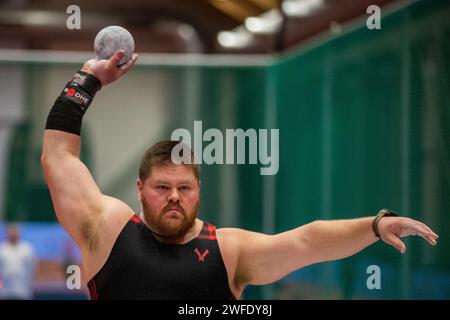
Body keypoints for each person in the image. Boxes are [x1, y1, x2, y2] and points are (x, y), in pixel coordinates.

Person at [41, 50, 439, 300]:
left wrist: (373, 225)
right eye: (163, 187)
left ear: (199, 191)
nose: (175, 196)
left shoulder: (229, 252)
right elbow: (59, 157)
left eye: (185, 187)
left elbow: (306, 241)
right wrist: (87, 79)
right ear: (140, 189)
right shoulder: (106, 228)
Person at [0, 224, 36, 300]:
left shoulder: (27, 249)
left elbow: (33, 269)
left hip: (23, 291)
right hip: (5, 292)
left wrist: (29, 285)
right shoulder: (2, 249)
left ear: (19, 233)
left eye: (15, 232)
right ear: (7, 234)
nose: (13, 234)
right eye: (11, 232)